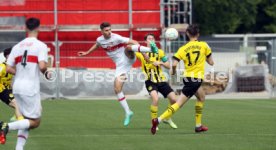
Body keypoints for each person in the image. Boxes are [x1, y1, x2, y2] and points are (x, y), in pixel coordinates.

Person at [78, 22, 158, 126]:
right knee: (117, 89)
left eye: (110, 29)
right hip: (121, 66)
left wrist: (145, 55)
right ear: (101, 31)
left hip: (128, 57)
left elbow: (134, 41)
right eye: (106, 30)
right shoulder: (100, 40)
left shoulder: (116, 37)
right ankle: (128, 112)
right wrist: (87, 53)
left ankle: (151, 49)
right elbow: (97, 45)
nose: (109, 32)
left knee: (128, 46)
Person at [150, 24, 214, 135]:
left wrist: (173, 72)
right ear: (198, 34)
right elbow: (211, 62)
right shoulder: (204, 45)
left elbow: (174, 64)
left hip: (188, 77)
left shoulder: (183, 49)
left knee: (201, 97)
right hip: (196, 79)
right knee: (179, 103)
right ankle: (158, 120)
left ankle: (198, 126)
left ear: (187, 34)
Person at [0, 17, 49, 150]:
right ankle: (7, 127)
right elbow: (42, 67)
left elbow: (9, 68)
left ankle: (19, 148)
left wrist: (21, 73)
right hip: (30, 88)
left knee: (26, 120)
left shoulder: (17, 46)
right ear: (39, 28)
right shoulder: (40, 46)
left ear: (26, 28)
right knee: (35, 122)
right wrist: (46, 71)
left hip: (17, 87)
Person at [135, 33, 178, 129]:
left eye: (152, 39)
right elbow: (131, 48)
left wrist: (161, 63)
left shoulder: (160, 52)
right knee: (155, 99)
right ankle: (154, 122)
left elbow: (168, 65)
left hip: (161, 80)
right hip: (150, 80)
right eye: (149, 39)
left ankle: (168, 118)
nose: (151, 40)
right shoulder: (141, 52)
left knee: (174, 100)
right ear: (145, 41)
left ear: (154, 41)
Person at [0, 48, 24, 121]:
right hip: (1, 89)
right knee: (16, 103)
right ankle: (21, 122)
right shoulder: (2, 66)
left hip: (7, 89)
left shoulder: (12, 66)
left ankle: (16, 117)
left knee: (20, 103)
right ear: (8, 56)